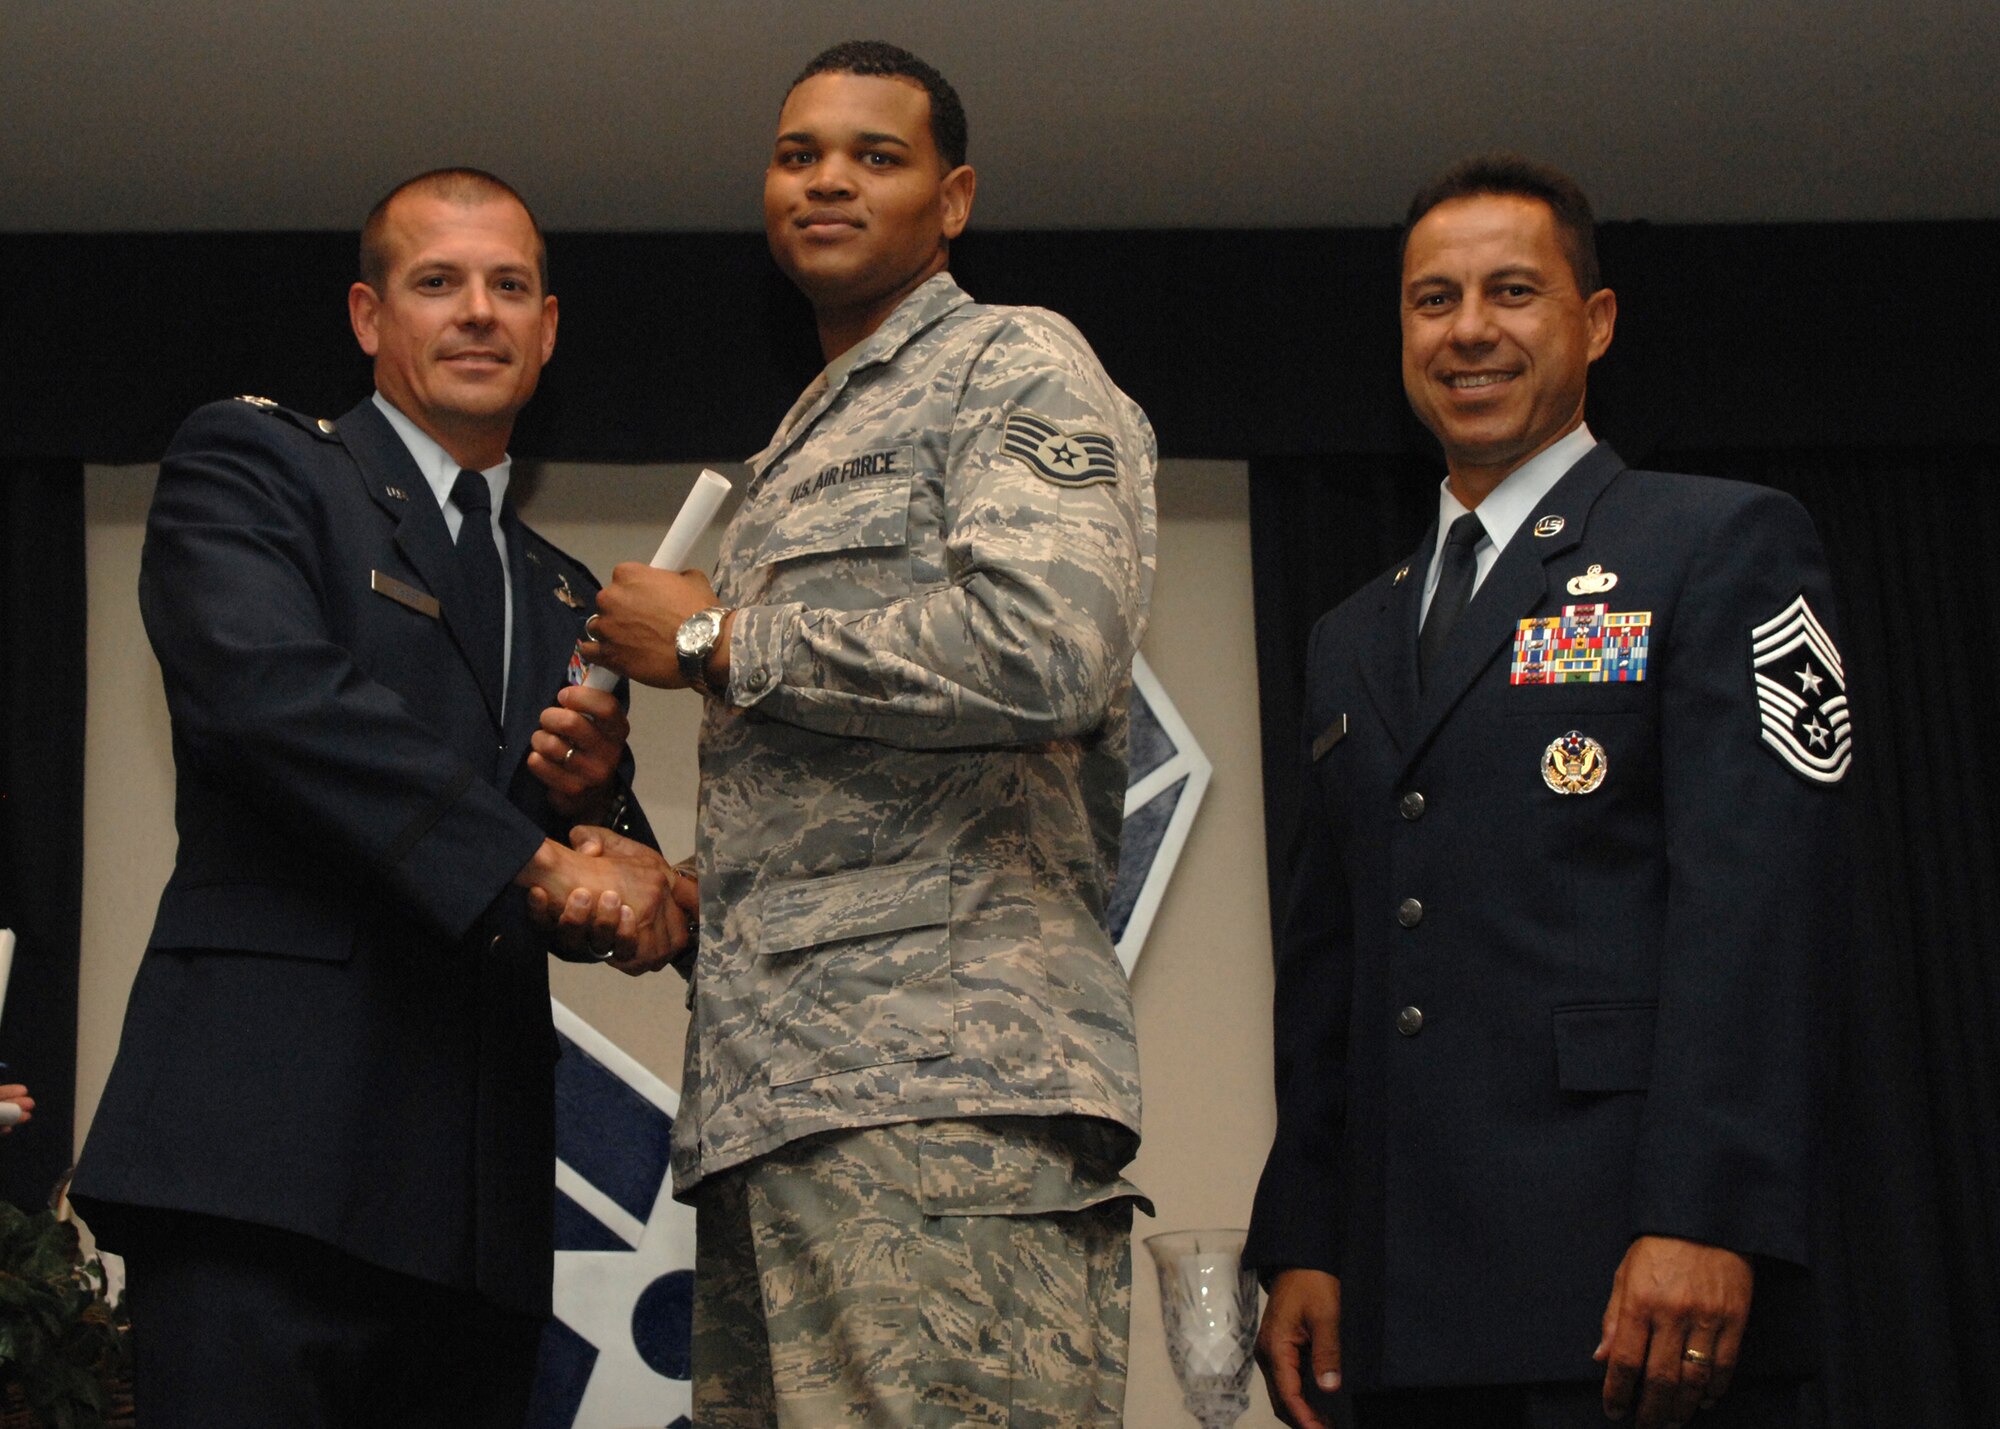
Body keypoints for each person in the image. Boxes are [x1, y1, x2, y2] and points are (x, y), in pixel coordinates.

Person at [581, 40, 1157, 1426]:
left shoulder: (1007, 362)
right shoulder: (794, 447)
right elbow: (862, 803)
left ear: (952, 199)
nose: (827, 179)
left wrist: (722, 641)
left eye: (874, 155)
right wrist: (689, 899)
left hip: (947, 1104)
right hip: (778, 1108)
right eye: (798, 155)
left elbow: (1050, 648)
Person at [71, 168, 685, 1428]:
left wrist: (612, 827)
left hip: (476, 1209)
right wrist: (539, 865)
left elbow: (570, 850)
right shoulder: (256, 464)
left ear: (548, 328)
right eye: (437, 283)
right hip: (263, 1157)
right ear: (366, 316)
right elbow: (272, 699)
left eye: (508, 286)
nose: (477, 313)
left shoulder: (565, 588)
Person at [1247, 154, 1850, 1429]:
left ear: (1597, 321)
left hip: (1630, 1287)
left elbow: (1757, 912)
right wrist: (1304, 1234)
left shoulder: (1714, 542)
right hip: (1406, 1306)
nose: (1467, 329)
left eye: (1511, 291)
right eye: (1431, 299)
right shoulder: (1349, 635)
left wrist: (1705, 1212)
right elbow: (1329, 965)